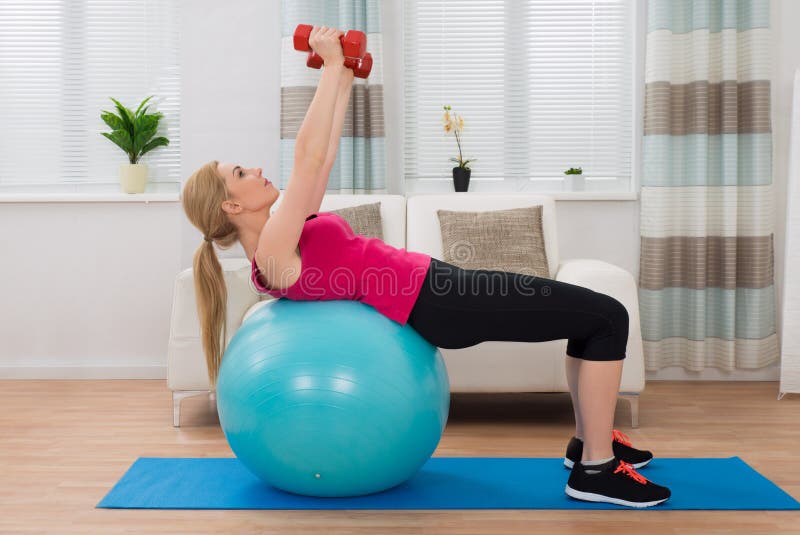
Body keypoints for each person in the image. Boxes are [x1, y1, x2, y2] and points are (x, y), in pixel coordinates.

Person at [181, 26, 671, 508]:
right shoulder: (271, 253)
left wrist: (346, 77)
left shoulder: (278, 236)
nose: (256, 170)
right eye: (240, 174)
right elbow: (307, 161)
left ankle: (589, 444)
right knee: (609, 316)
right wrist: (330, 65)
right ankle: (596, 472)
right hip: (442, 302)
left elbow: (323, 157)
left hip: (441, 287)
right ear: (230, 208)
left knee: (590, 318)